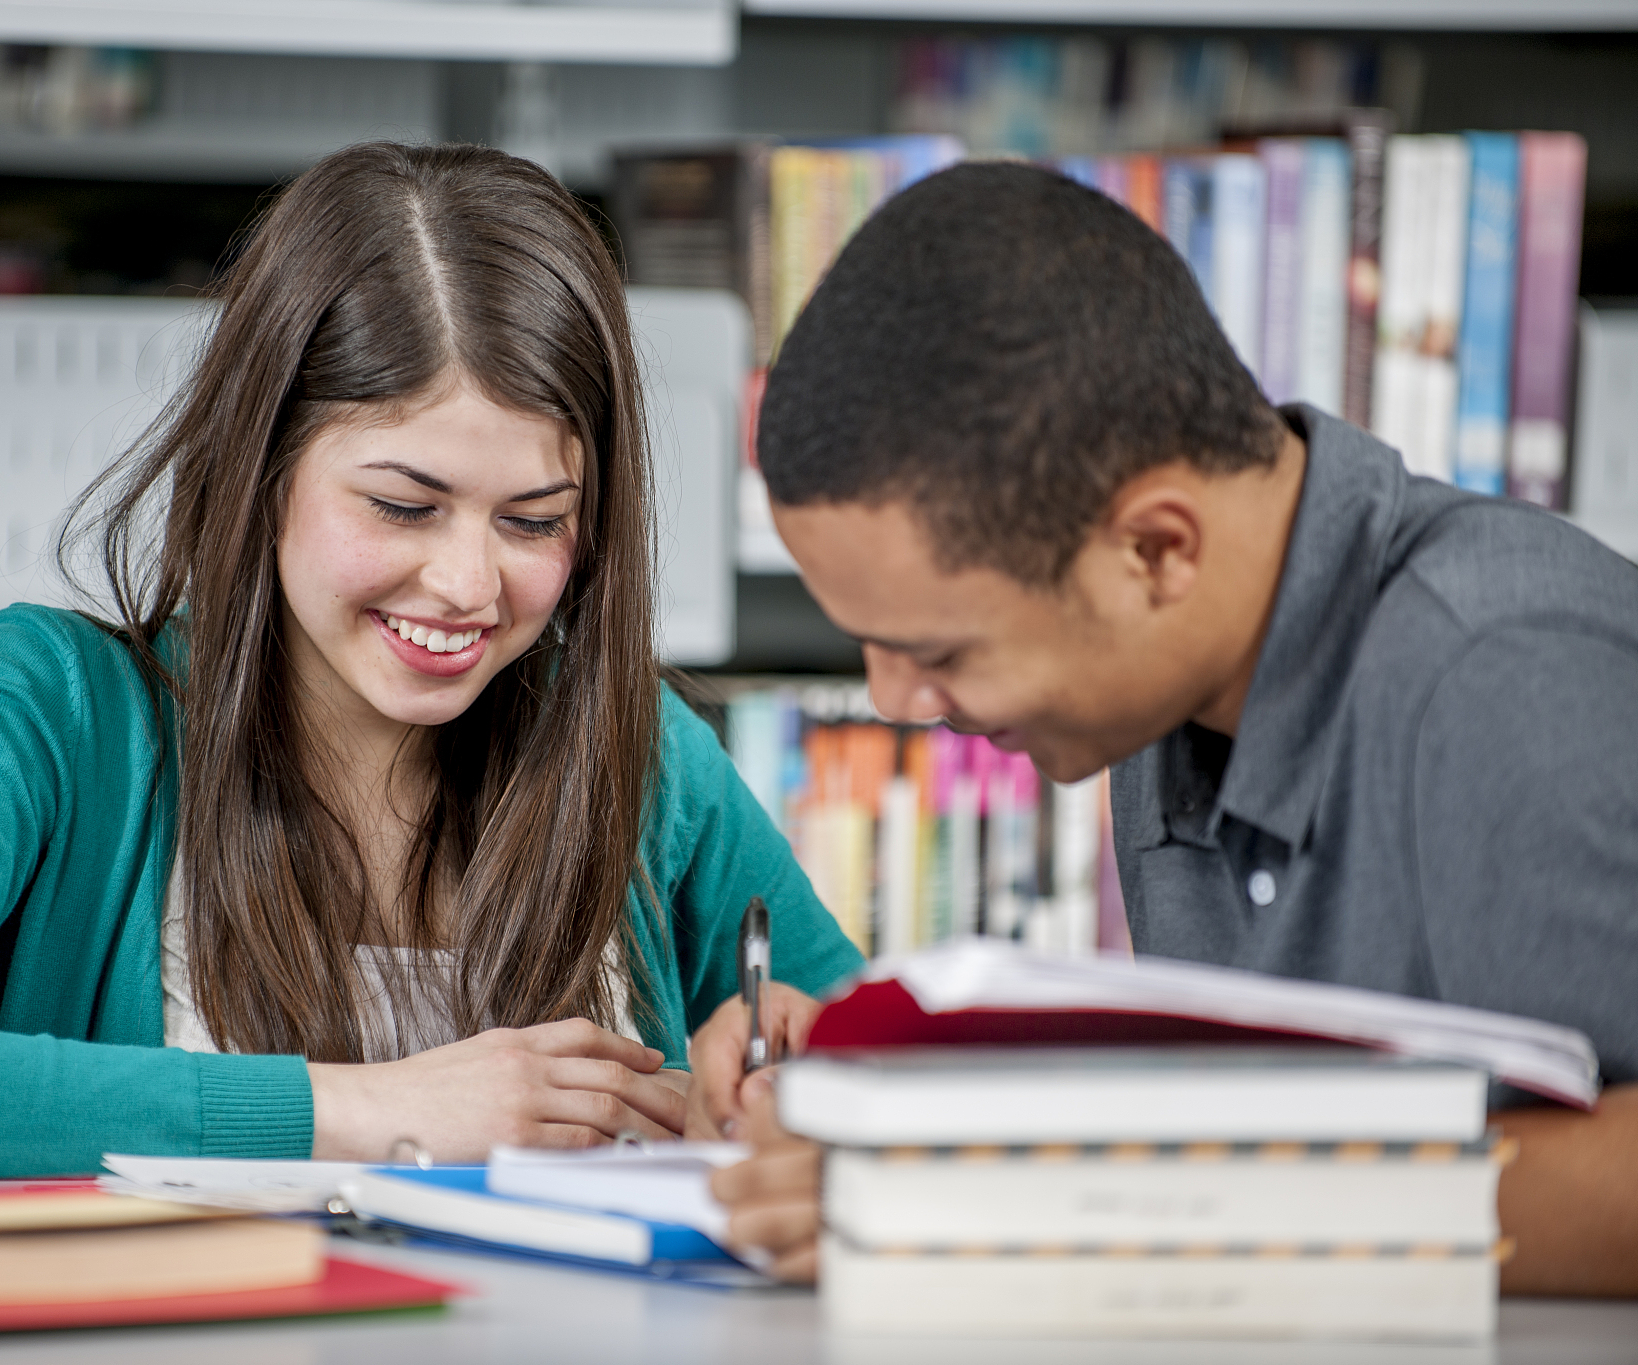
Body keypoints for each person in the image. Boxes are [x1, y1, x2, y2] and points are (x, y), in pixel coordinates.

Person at [0, 143, 860, 1178]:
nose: (468, 585)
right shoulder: (54, 711)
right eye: (403, 506)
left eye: (532, 520)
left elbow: (884, 1066)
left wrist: (785, 1081)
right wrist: (360, 1111)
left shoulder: (646, 754)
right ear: (258, 471)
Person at [691, 161, 1638, 1296]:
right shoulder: (1163, 692)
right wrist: (897, 1103)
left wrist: (1072, 1208)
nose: (895, 702)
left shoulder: (1501, 679)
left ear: (1155, 551)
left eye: (940, 651)